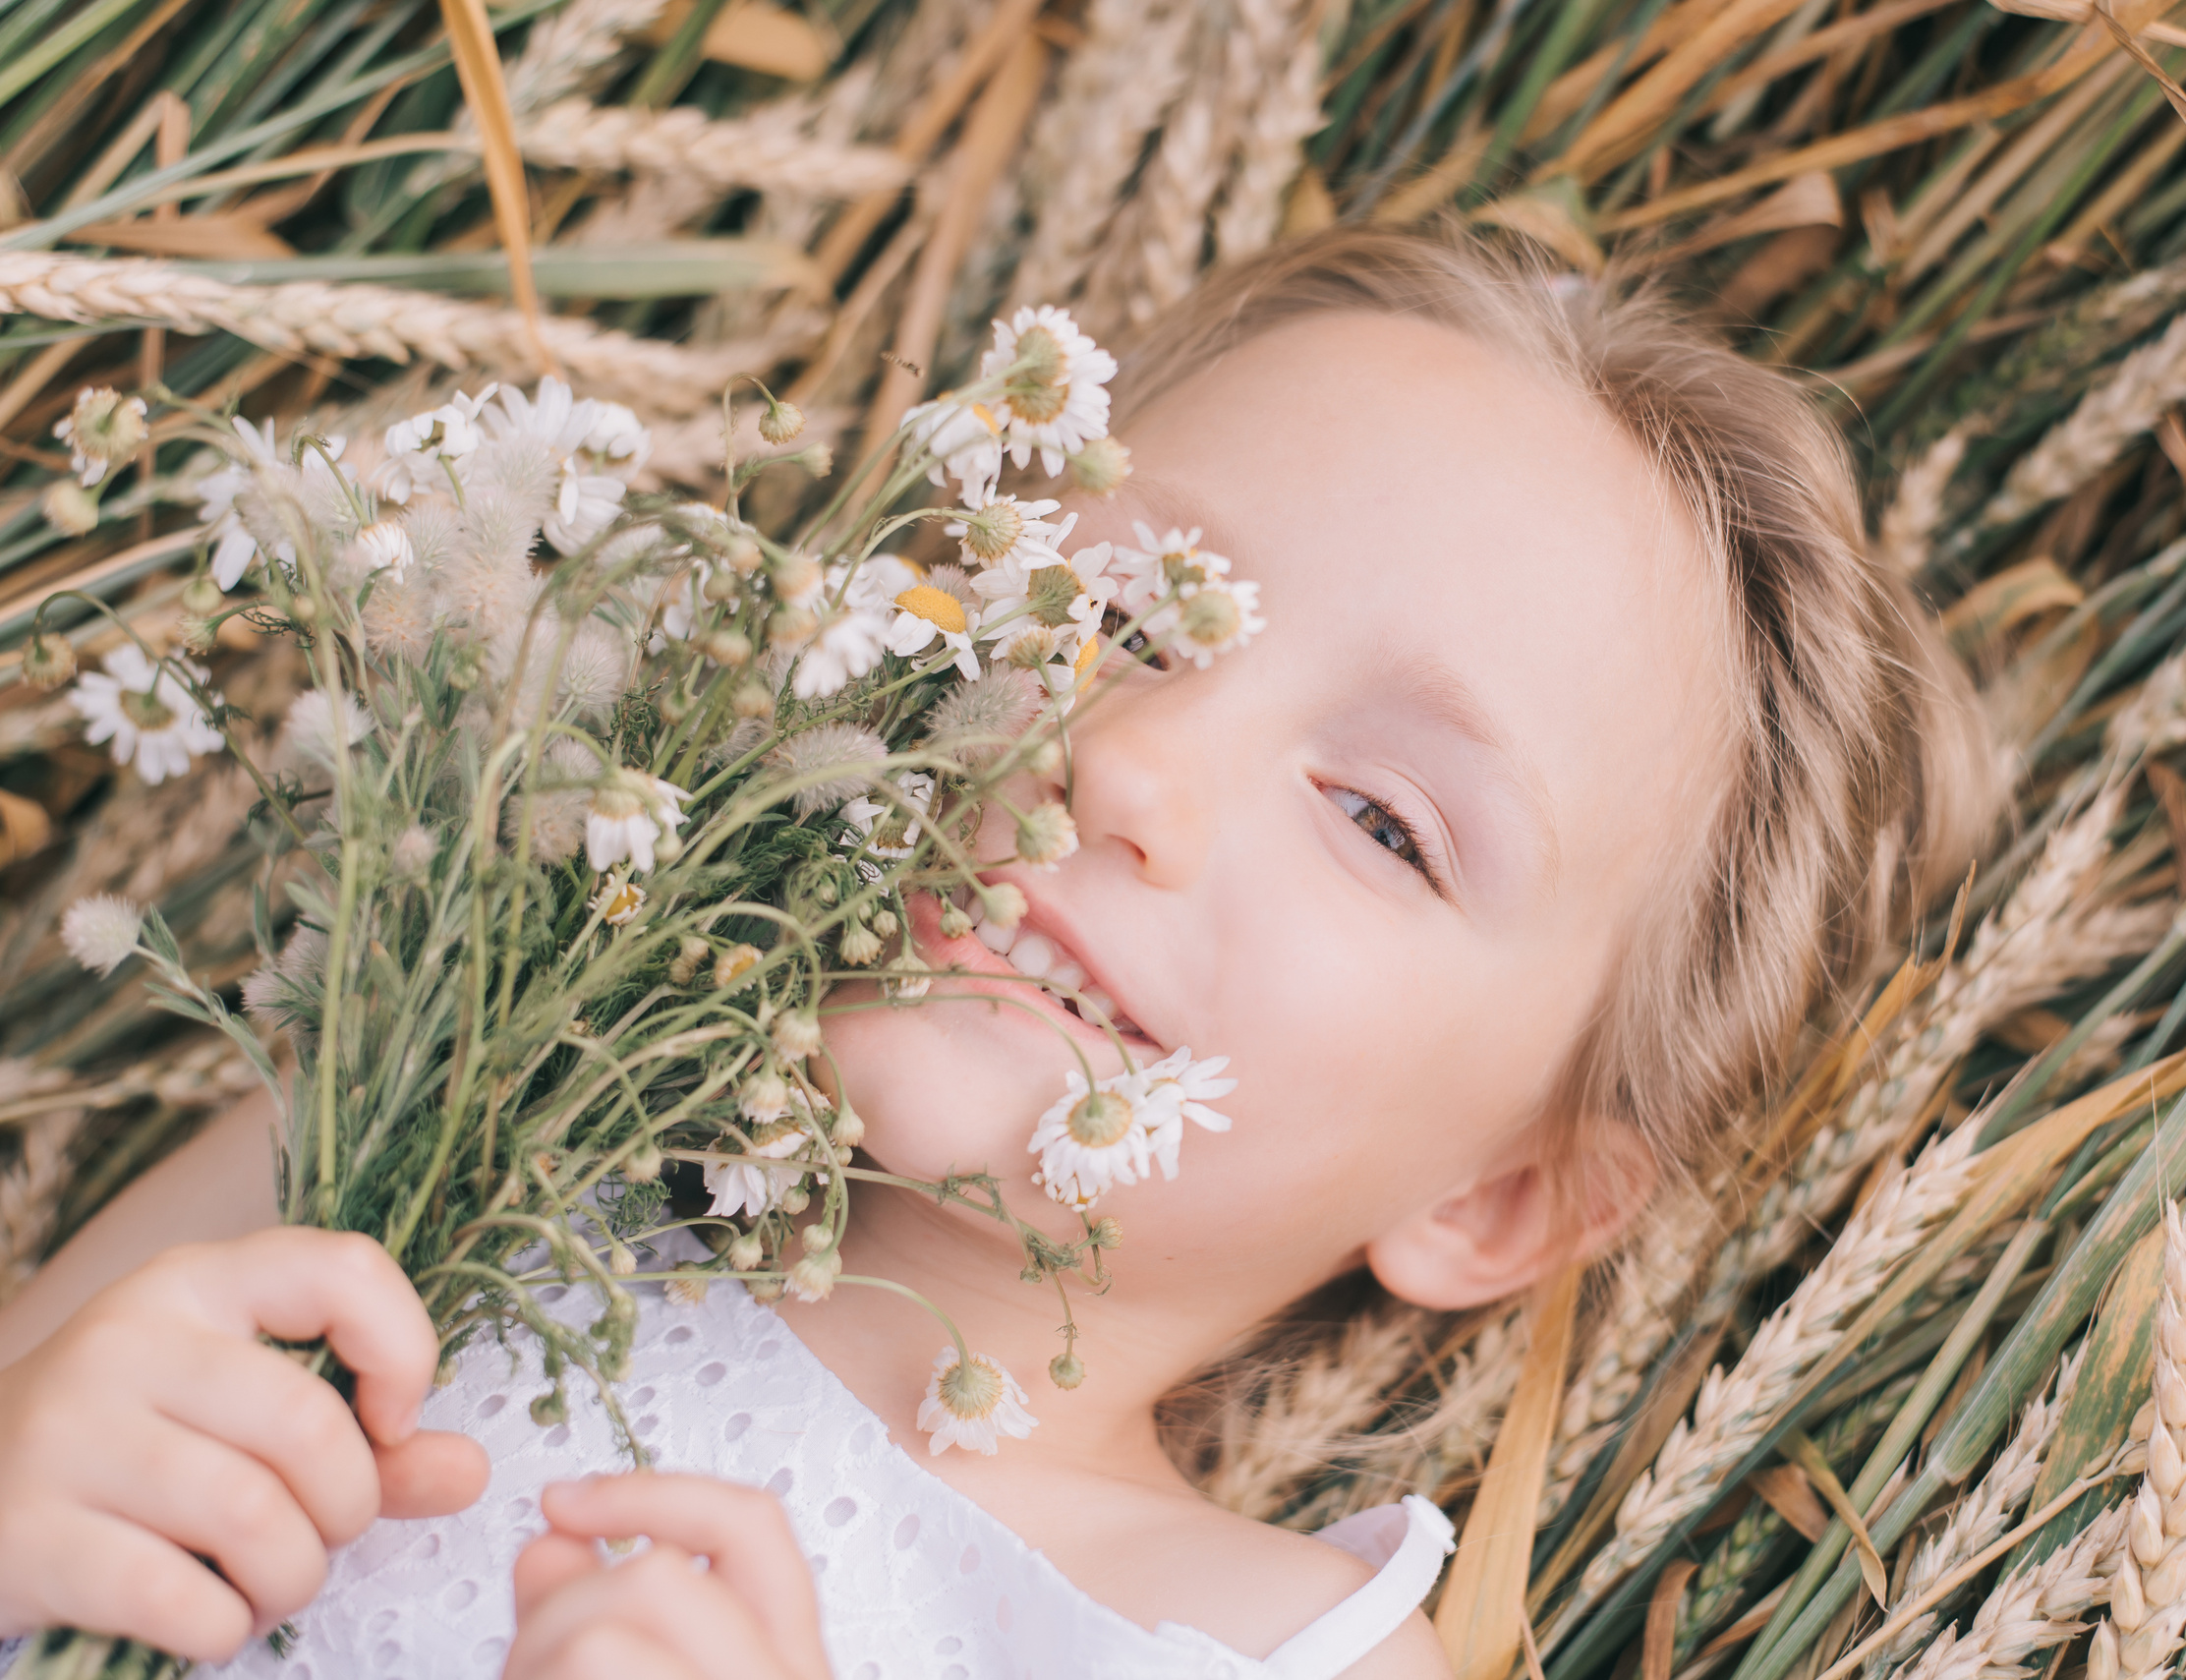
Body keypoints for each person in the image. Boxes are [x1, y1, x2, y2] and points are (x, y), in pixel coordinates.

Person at [0, 225, 1992, 1679]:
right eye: (1118, 614)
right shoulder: (433, 1132)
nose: (1125, 757)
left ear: (1499, 1199)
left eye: (1381, 822)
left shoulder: (1270, 1653)